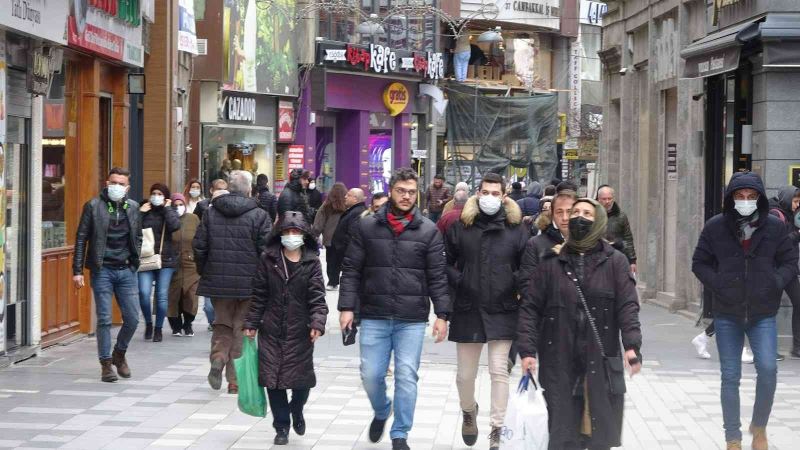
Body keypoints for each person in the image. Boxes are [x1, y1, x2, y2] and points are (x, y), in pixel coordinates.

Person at [339, 167, 450, 450]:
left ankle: (400, 434)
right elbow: (351, 269)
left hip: (411, 318)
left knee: (406, 375)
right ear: (390, 191)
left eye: (412, 192)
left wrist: (442, 314)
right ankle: (381, 410)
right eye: (401, 191)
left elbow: (437, 275)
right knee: (371, 374)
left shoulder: (428, 231)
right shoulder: (367, 226)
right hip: (374, 313)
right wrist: (347, 307)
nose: (406, 196)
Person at [518, 197, 643, 450]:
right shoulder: (551, 262)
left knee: (598, 433)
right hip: (559, 359)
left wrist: (631, 345)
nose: (578, 218)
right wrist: (527, 351)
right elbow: (530, 308)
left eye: (587, 213)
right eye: (575, 212)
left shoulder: (615, 262)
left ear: (598, 221)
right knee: (562, 432)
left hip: (600, 359)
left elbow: (628, 306)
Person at [692, 172, 798, 450]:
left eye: (752, 197)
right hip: (728, 313)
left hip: (763, 312)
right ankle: (733, 438)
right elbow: (699, 262)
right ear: (730, 199)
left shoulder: (775, 227)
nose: (746, 201)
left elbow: (789, 261)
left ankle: (759, 425)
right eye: (740, 196)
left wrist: (774, 282)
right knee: (730, 375)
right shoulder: (716, 227)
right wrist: (719, 284)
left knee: (768, 369)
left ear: (760, 199)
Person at [444, 172, 528, 449]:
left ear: (504, 197)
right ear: (477, 193)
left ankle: (497, 429)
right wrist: (461, 280)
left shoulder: (516, 229)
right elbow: (446, 263)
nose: (490, 198)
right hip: (468, 307)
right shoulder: (461, 226)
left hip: (503, 307)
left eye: (496, 193)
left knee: (499, 371)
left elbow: (526, 267)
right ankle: (469, 411)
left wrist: (512, 282)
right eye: (485, 192)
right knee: (465, 376)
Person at [244, 211, 328, 446]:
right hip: (271, 328)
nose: (291, 235)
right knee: (273, 380)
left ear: (304, 235)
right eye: (287, 232)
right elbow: (259, 294)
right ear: (279, 234)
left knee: (301, 382)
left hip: (300, 330)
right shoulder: (268, 259)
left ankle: (297, 409)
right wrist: (251, 323)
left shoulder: (311, 262)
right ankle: (281, 426)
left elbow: (317, 297)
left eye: (296, 232)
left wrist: (317, 323)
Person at [193, 170, 272, 394]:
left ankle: (218, 357)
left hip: (218, 280)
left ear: (229, 187)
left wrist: (205, 271)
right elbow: (266, 250)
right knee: (241, 328)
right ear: (249, 190)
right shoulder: (259, 215)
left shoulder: (210, 212)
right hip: (249, 283)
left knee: (222, 324)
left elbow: (199, 246)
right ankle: (234, 381)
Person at [73, 167, 142, 382]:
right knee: (104, 318)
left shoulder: (133, 208)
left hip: (126, 270)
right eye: (114, 182)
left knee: (132, 318)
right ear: (106, 182)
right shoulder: (93, 206)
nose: (117, 187)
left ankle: (119, 354)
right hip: (102, 270)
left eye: (121, 184)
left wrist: (134, 259)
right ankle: (105, 365)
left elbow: (138, 236)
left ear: (128, 187)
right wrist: (77, 271)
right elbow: (81, 238)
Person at [138, 183, 181, 343]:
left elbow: (175, 226)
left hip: (166, 259)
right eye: (153, 193)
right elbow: (132, 228)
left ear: (165, 196)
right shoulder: (144, 209)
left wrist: (167, 209)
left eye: (159, 194)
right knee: (143, 293)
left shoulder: (170, 211)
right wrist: (141, 213)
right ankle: (149, 323)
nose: (156, 196)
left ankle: (158, 328)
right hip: (146, 258)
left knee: (162, 296)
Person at [519, 190, 577, 296]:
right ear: (552, 214)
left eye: (569, 211)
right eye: (559, 212)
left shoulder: (591, 244)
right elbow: (527, 284)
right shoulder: (536, 244)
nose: (565, 218)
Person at [167, 194, 201, 337]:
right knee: (174, 296)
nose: (178, 207)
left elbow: (201, 238)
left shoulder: (193, 219)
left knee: (191, 295)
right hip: (172, 263)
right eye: (175, 205)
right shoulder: (167, 219)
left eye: (181, 204)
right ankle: (176, 325)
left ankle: (188, 323)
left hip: (191, 264)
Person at [330, 188, 367, 290]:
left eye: (348, 195)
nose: (345, 197)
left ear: (355, 199)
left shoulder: (357, 213)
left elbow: (352, 234)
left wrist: (342, 248)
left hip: (347, 254)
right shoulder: (352, 211)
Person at [312, 182, 347, 289]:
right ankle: (344, 280)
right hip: (344, 237)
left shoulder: (326, 205)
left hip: (330, 237)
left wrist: (314, 235)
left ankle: (332, 281)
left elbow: (319, 223)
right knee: (342, 259)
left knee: (331, 260)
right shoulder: (348, 205)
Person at [596, 185, 637, 274]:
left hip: (617, 256)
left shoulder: (621, 216)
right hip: (597, 258)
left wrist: (632, 261)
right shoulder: (592, 215)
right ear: (598, 199)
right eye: (604, 199)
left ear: (613, 199)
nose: (607, 201)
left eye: (609, 198)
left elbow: (628, 238)